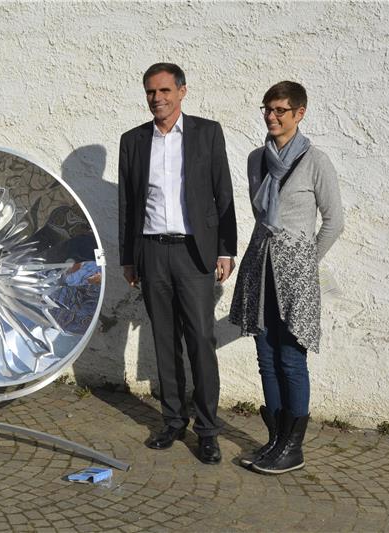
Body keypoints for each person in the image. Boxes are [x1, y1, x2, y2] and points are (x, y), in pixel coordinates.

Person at [118, 63, 237, 464]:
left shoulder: (207, 133)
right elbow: (128, 203)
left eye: (165, 90)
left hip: (193, 252)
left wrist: (226, 249)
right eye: (151, 92)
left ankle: (208, 430)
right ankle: (172, 421)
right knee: (164, 339)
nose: (158, 98)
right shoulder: (133, 141)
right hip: (151, 251)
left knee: (200, 339)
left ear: (182, 92)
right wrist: (128, 257)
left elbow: (223, 193)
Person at [230, 81, 343, 474]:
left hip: (296, 276)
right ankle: (276, 440)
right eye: (267, 109)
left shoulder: (315, 161)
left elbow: (334, 221)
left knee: (291, 359)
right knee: (266, 357)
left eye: (280, 110)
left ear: (299, 113)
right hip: (259, 268)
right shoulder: (255, 159)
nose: (272, 116)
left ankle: (293, 448)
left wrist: (305, 260)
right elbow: (261, 217)